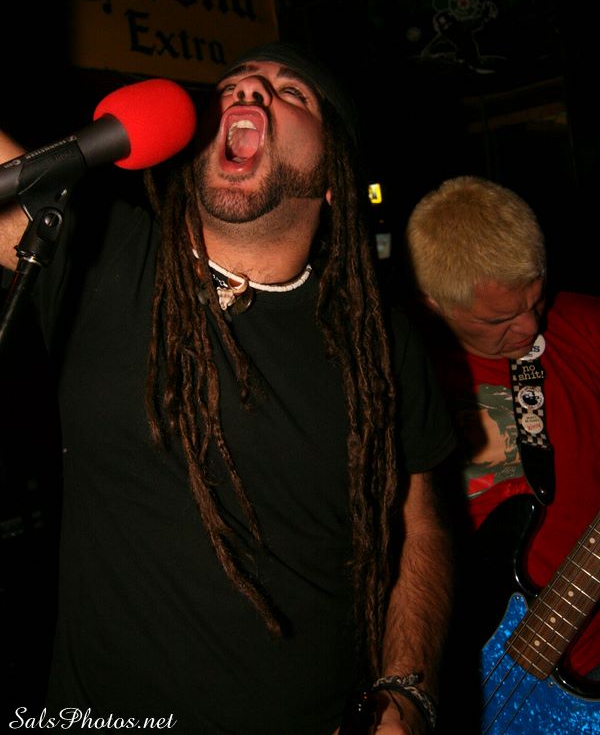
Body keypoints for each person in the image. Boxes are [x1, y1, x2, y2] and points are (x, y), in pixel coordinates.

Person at [0, 42, 456, 734]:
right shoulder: (107, 256)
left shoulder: (379, 342)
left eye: (291, 93)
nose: (250, 92)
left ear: (332, 180)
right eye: (235, 84)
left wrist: (408, 691)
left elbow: (421, 525)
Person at [403, 175, 600, 729]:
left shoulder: (584, 327)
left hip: (591, 656)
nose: (531, 326)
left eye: (536, 300)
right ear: (434, 306)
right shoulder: (401, 375)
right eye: (499, 319)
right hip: (460, 679)